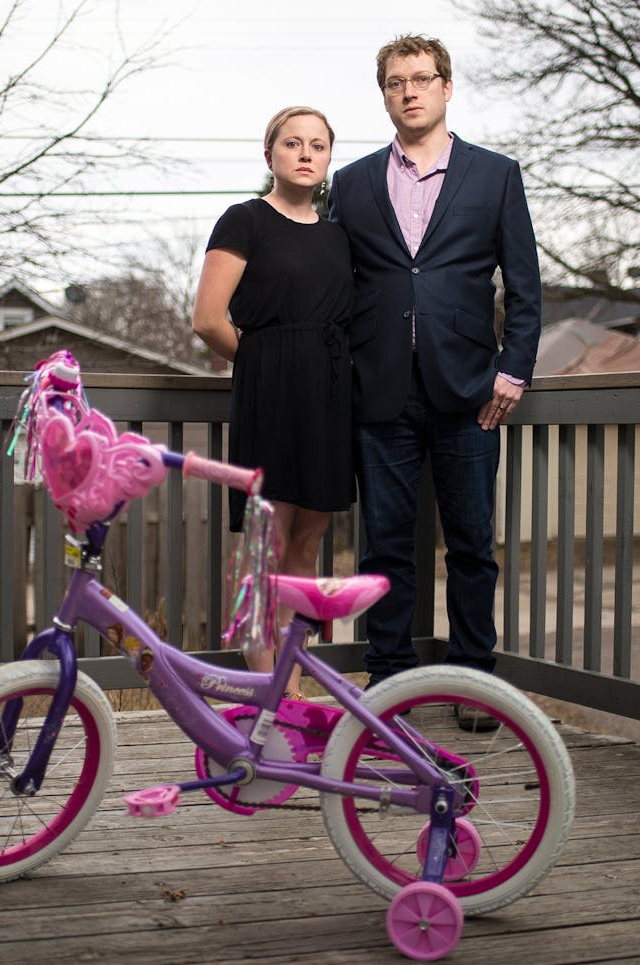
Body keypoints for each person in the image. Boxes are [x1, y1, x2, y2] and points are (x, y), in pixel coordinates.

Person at [328, 35, 542, 729]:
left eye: (422, 79)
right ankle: (389, 684)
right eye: (396, 82)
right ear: (384, 93)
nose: (409, 91)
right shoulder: (354, 182)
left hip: (471, 392)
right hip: (381, 392)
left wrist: (513, 368)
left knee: (472, 543)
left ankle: (475, 682)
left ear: (448, 88)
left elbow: (526, 285)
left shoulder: (496, 175)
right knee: (384, 547)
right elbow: (336, 288)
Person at [192, 106, 354, 693]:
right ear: (270, 156)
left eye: (318, 144)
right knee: (269, 544)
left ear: (328, 158)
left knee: (309, 543)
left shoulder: (340, 233)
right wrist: (265, 365)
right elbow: (208, 320)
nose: (306, 153)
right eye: (292, 143)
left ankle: (292, 682)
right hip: (272, 394)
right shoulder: (244, 220)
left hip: (332, 398)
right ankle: (273, 701)